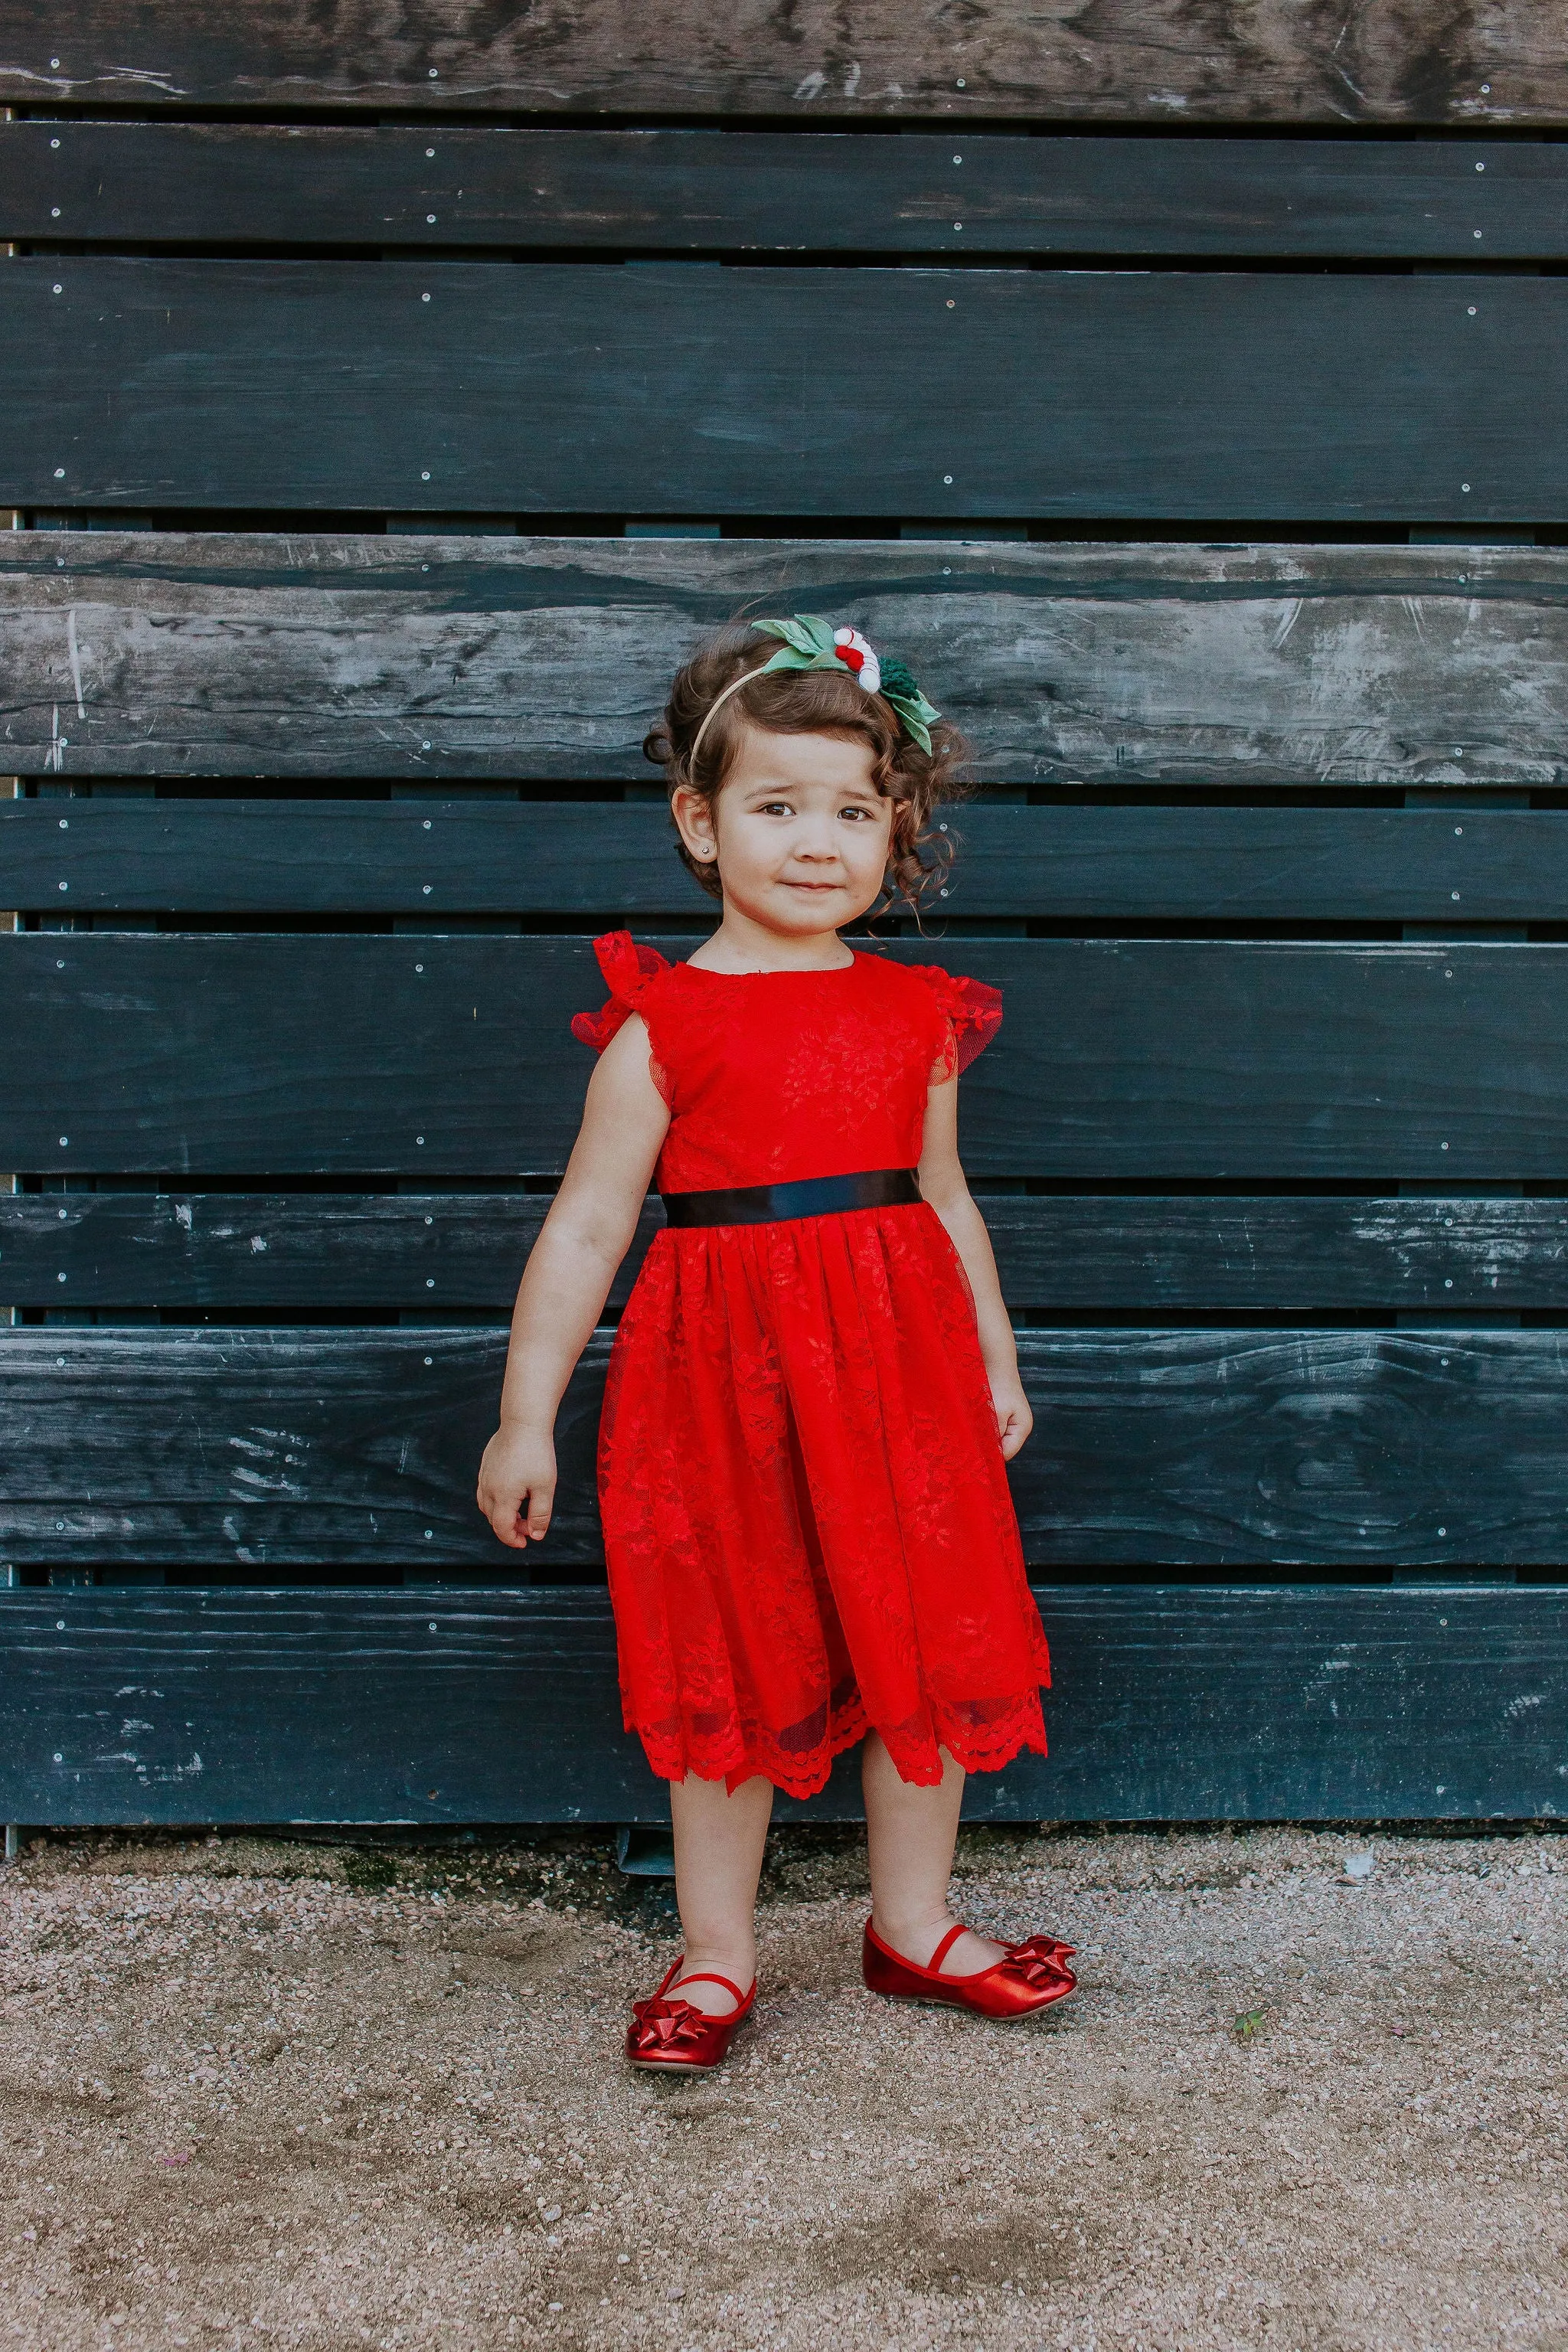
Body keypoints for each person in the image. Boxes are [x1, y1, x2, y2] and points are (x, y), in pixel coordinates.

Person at [477, 615, 1075, 2069]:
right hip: (716, 1388)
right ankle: (718, 1953)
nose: (819, 842)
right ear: (701, 820)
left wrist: (995, 1359)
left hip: (898, 1377)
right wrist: (525, 1417)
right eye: (778, 805)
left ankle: (914, 1925)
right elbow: (583, 1229)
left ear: (897, 834)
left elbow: (942, 1200)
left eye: (855, 813)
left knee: (922, 1641)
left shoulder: (911, 1015)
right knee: (729, 1659)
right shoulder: (663, 1025)